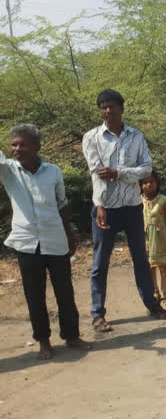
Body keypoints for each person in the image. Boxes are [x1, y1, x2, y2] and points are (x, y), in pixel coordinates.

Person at [82, 89, 166, 332]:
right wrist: (100, 204)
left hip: (132, 206)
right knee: (100, 262)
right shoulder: (91, 137)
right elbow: (96, 174)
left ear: (121, 108)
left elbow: (146, 168)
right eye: (103, 106)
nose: (107, 110)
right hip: (106, 208)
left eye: (111, 106)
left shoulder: (136, 136)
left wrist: (119, 173)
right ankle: (97, 314)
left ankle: (152, 304)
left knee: (140, 258)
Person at [1, 124, 91, 359]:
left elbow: (62, 204)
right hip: (26, 243)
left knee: (65, 291)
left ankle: (72, 336)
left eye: (22, 144)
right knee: (34, 294)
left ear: (37, 147)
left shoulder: (53, 171)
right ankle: (43, 341)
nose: (16, 149)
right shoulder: (8, 171)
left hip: (55, 239)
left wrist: (70, 236)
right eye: (14, 144)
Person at [139, 171, 166, 307]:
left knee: (163, 265)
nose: (148, 185)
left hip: (161, 237)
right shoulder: (138, 201)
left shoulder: (163, 200)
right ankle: (155, 292)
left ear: (157, 183)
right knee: (150, 267)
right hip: (146, 239)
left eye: (152, 181)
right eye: (145, 182)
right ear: (141, 185)